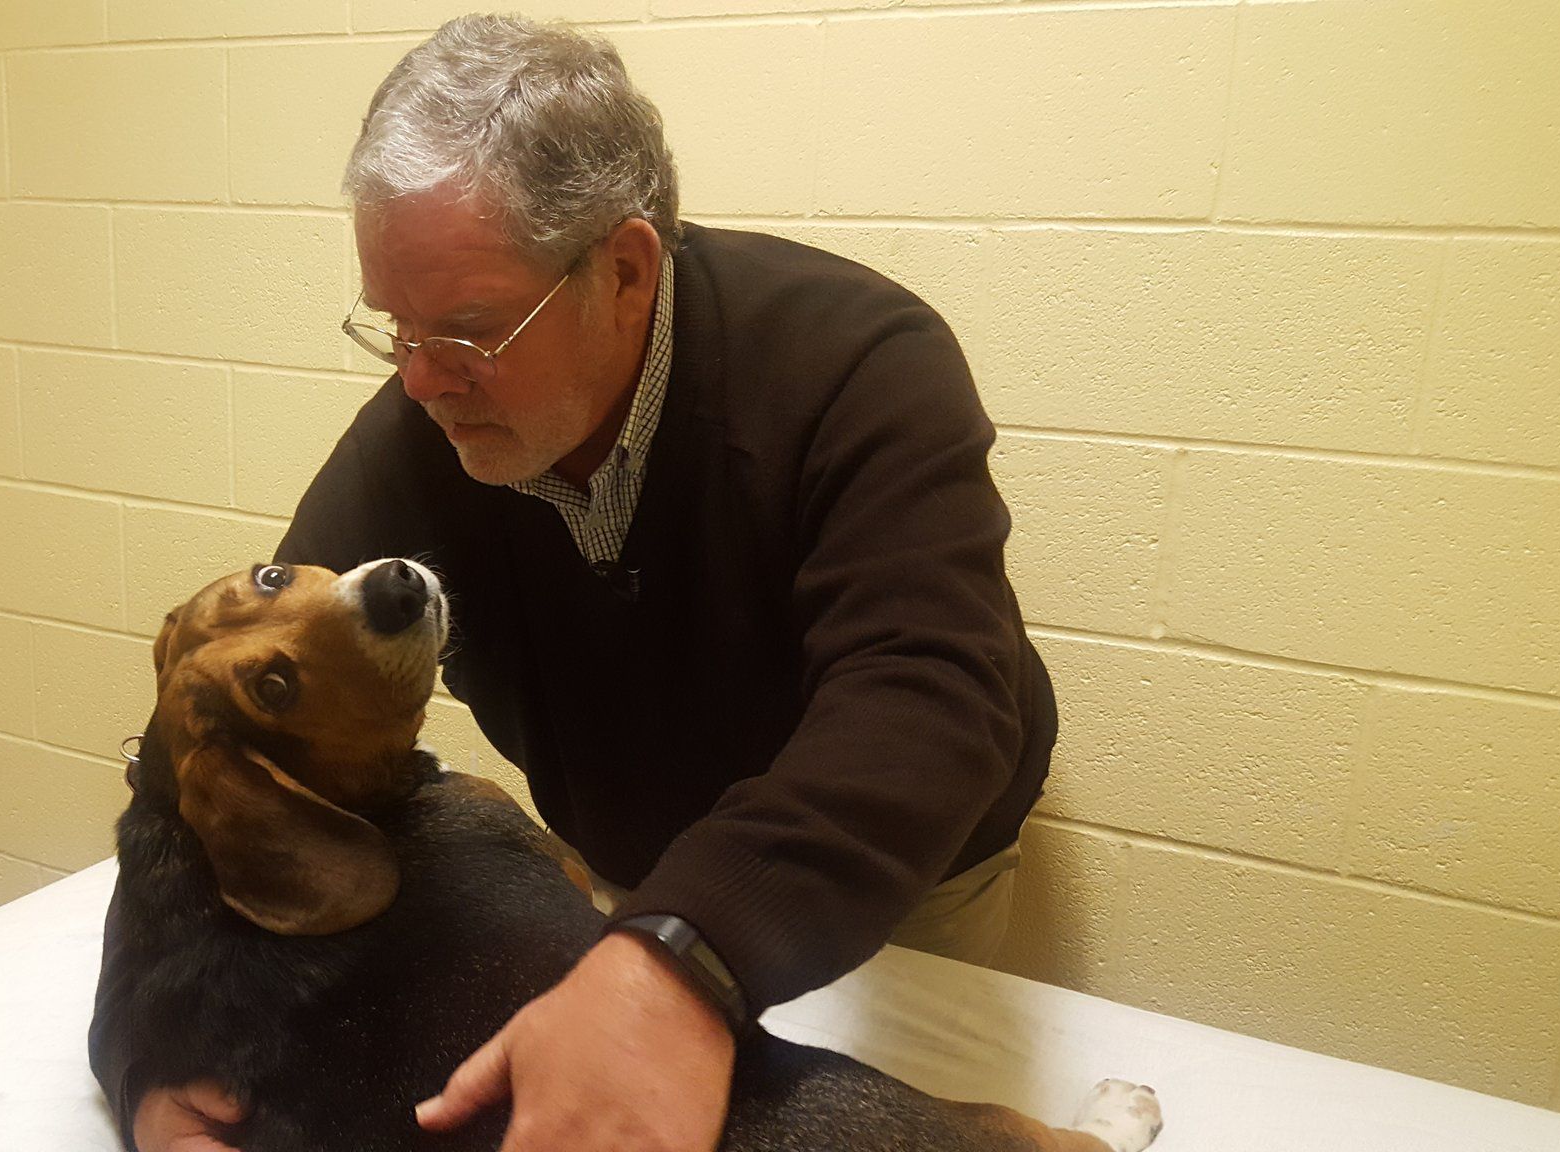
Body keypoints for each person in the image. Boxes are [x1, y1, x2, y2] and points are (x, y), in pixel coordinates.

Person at [107, 13, 1055, 1152]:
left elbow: (928, 701)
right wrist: (144, 1054)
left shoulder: (858, 362)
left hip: (888, 873)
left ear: (622, 267)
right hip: (640, 882)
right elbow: (219, 758)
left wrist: (679, 957)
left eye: (464, 329)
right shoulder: (430, 425)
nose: (418, 381)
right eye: (394, 327)